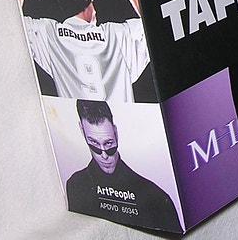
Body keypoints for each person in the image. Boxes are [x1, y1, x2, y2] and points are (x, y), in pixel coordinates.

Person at [17, 0, 150, 102]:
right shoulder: (115, 35)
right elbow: (154, 21)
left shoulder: (49, 34)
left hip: (76, 116)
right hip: (125, 116)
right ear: (89, 6)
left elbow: (10, 25)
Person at [66, 100, 182, 233]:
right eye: (94, 143)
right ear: (82, 130)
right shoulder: (75, 185)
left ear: (116, 132)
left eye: (109, 144)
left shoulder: (156, 199)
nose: (104, 155)